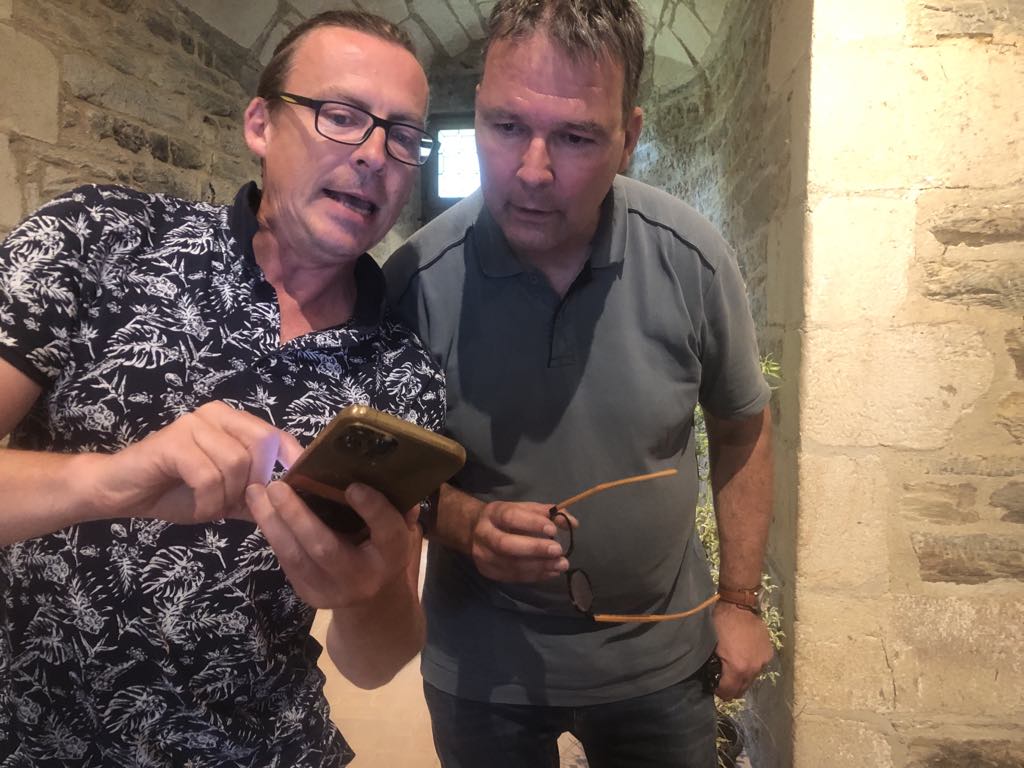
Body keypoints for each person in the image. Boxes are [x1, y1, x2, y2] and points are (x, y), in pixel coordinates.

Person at [0, 11, 444, 767]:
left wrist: (371, 593)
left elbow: (375, 664)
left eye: (403, 136)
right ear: (261, 125)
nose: (374, 154)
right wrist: (106, 482)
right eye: (341, 116)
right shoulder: (97, 240)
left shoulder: (401, 374)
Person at [384, 0, 775, 765]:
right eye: (505, 126)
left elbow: (742, 424)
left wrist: (738, 601)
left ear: (628, 138)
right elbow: (390, 474)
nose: (532, 171)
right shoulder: (416, 283)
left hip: (661, 662)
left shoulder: (690, 258)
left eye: (575, 137)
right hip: (482, 669)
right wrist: (464, 522)